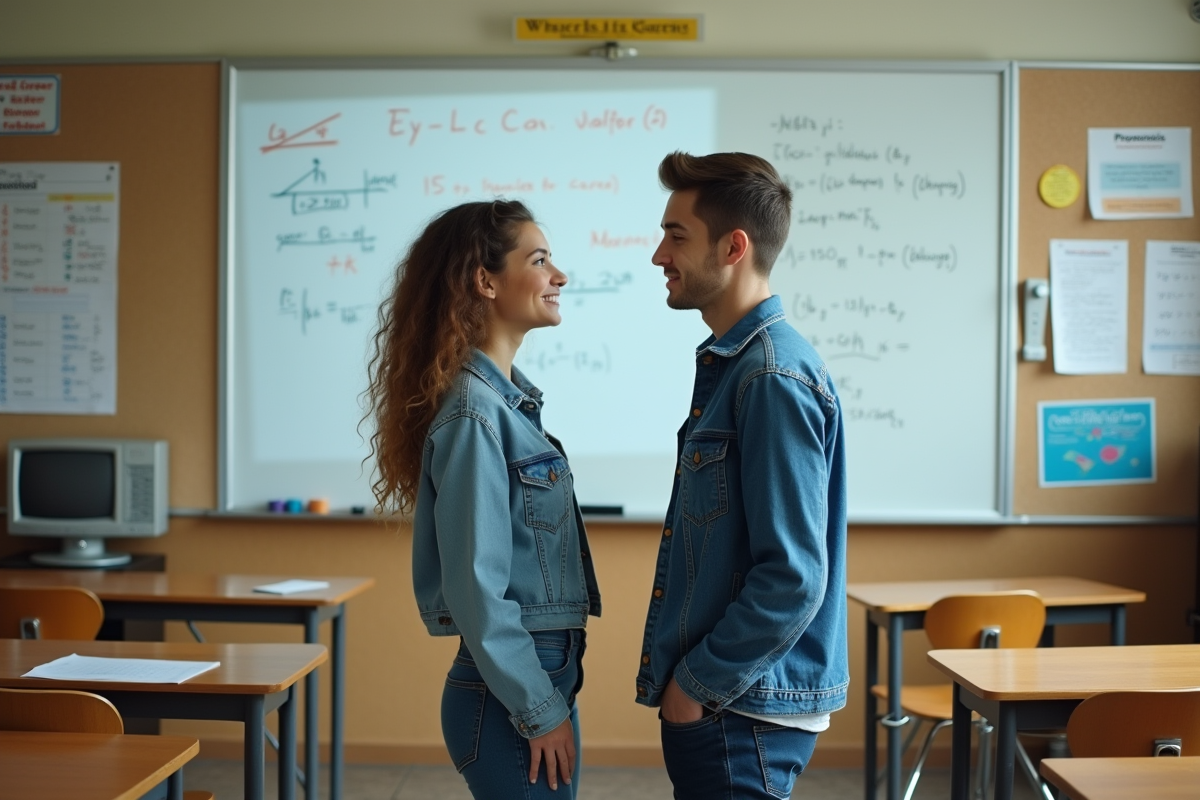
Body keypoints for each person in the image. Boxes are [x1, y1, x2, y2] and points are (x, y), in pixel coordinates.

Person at [365, 199, 602, 799]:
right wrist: (538, 707)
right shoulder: (475, 414)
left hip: (535, 684)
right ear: (485, 280)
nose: (560, 276)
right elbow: (476, 588)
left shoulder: (505, 406)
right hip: (512, 697)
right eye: (541, 259)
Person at [635, 152, 848, 799]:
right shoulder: (742, 366)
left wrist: (693, 688)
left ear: (734, 246)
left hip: (739, 710)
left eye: (676, 235)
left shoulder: (770, 376)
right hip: (736, 704)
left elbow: (792, 576)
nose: (658, 256)